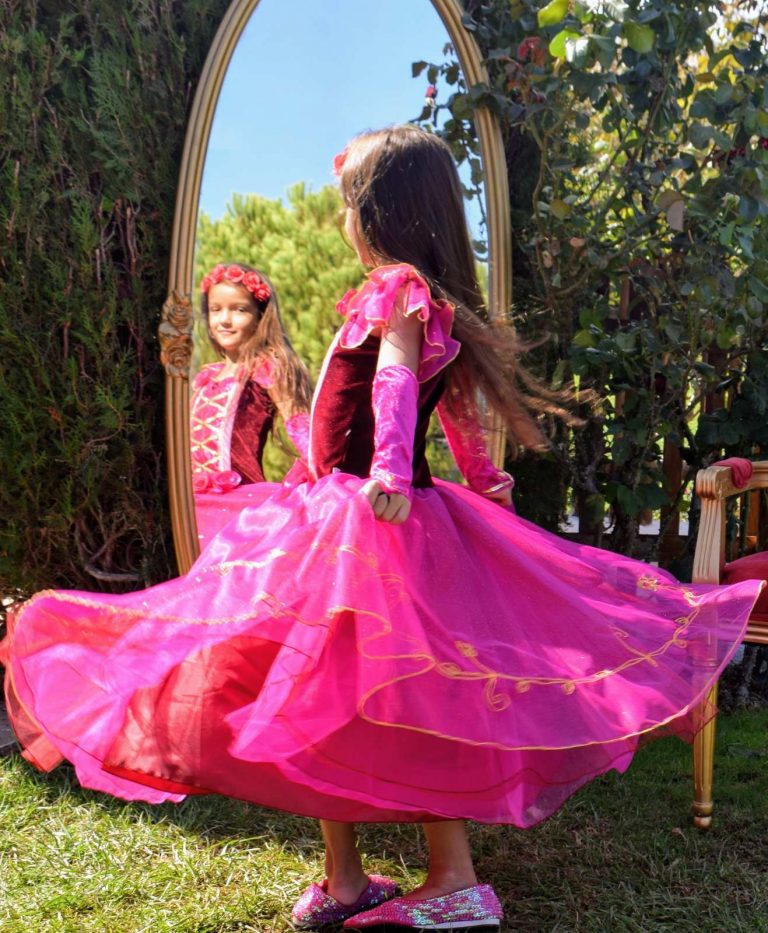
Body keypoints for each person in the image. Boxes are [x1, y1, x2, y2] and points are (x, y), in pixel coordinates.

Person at [1, 126, 762, 933]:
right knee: (322, 691)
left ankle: (454, 879)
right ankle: (346, 877)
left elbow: (397, 380)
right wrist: (485, 478)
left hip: (368, 517)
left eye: (348, 206)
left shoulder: (397, 288)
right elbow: (455, 406)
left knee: (408, 688)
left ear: (382, 212)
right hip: (336, 512)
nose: (342, 222)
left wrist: (393, 473)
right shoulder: (419, 297)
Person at [190, 262, 312, 546]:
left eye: (239, 310)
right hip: (195, 504)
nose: (224, 320)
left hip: (239, 504)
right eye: (216, 309)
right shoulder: (206, 378)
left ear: (259, 316)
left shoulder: (265, 368)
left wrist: (323, 473)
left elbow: (299, 424)